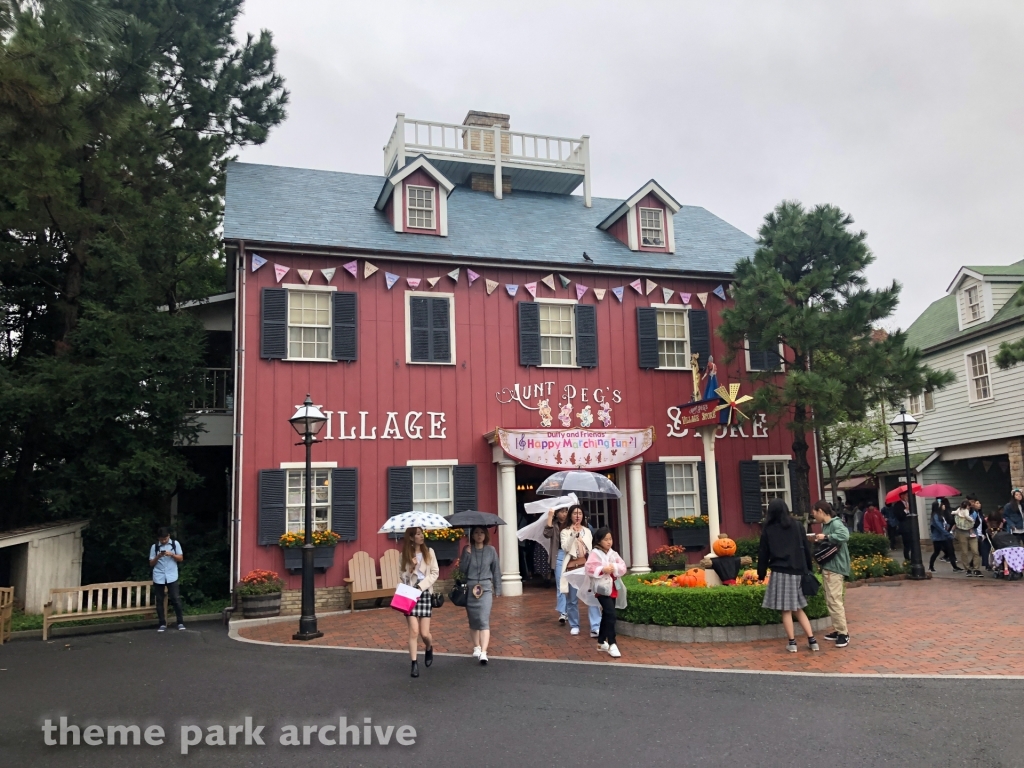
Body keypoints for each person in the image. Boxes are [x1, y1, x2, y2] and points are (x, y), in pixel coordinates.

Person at [757, 499, 819, 653]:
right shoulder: (797, 526)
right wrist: (809, 569)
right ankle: (812, 640)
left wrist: (761, 573)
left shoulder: (768, 529)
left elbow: (763, 553)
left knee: (786, 610)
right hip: (797, 571)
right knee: (797, 607)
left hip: (780, 571)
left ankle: (792, 643)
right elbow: (805, 547)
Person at [581, 527, 628, 658]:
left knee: (608, 614)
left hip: (612, 587)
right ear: (599, 540)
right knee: (611, 614)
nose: (609, 542)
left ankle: (601, 642)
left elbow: (623, 566)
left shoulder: (613, 553)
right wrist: (602, 569)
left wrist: (615, 567)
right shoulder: (595, 553)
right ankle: (612, 643)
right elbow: (589, 568)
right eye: (605, 539)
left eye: (610, 539)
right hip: (601, 588)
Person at [811, 501, 851, 647]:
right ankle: (838, 629)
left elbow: (845, 535)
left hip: (835, 568)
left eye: (814, 512)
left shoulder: (835, 523)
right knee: (830, 600)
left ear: (821, 511)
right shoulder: (827, 525)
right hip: (829, 568)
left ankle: (843, 634)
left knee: (834, 600)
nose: (813, 515)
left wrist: (826, 537)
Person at [400, 527, 438, 678]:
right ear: (411, 538)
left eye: (421, 534)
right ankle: (414, 663)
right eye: (417, 534)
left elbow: (435, 573)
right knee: (414, 631)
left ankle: (429, 647)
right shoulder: (404, 555)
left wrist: (421, 586)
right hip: (410, 594)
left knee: (424, 633)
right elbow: (401, 576)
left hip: (424, 593)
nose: (421, 536)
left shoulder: (430, 552)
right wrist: (411, 569)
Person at [459, 526, 501, 665]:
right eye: (476, 532)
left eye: (481, 532)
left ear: (485, 535)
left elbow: (495, 570)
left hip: (486, 588)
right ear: (472, 535)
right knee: (473, 619)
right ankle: (476, 646)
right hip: (471, 587)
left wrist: (498, 589)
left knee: (483, 619)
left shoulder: (491, 550)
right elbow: (462, 570)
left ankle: (484, 651)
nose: (479, 535)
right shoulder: (467, 550)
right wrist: (468, 555)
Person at [560, 506, 601, 638]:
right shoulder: (565, 531)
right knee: (572, 599)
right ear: (570, 516)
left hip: (586, 566)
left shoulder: (588, 531)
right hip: (572, 566)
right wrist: (573, 534)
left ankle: (595, 626)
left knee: (591, 596)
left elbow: (591, 548)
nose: (577, 516)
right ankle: (574, 625)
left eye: (580, 513)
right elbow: (565, 547)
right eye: (575, 513)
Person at [149, 527, 185, 632]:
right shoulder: (154, 547)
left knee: (176, 599)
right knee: (159, 600)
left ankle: (180, 622)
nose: (163, 541)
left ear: (168, 536)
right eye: (161, 539)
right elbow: (151, 563)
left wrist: (172, 554)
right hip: (158, 576)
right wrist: (158, 556)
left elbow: (181, 558)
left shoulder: (175, 544)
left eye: (165, 539)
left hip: (172, 575)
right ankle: (162, 623)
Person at [543, 506, 571, 623]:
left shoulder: (571, 523)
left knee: (571, 585)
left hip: (571, 555)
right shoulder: (554, 524)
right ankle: (563, 612)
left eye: (566, 511)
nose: (564, 514)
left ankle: (570, 610)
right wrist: (549, 517)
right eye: (562, 511)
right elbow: (546, 534)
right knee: (560, 584)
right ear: (557, 513)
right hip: (559, 554)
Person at [929, 501, 962, 573]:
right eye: (942, 505)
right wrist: (948, 534)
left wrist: (948, 527)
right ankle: (931, 567)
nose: (944, 506)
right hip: (938, 538)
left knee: (950, 551)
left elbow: (945, 525)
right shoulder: (935, 516)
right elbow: (939, 527)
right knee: (936, 552)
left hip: (945, 537)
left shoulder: (941, 515)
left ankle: (955, 567)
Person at [952, 500, 983, 576]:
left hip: (973, 533)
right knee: (964, 552)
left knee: (975, 551)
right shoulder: (959, 511)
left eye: (968, 506)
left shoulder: (974, 513)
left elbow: (978, 522)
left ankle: (976, 569)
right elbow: (953, 520)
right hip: (962, 533)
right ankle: (967, 569)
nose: (967, 508)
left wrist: (973, 526)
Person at [892, 494, 915, 562]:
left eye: (907, 495)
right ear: (901, 496)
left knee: (913, 543)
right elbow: (899, 516)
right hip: (904, 526)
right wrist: (906, 510)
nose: (906, 497)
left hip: (911, 525)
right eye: (905, 495)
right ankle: (907, 558)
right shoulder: (898, 505)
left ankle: (913, 557)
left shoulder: (910, 503)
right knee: (906, 543)